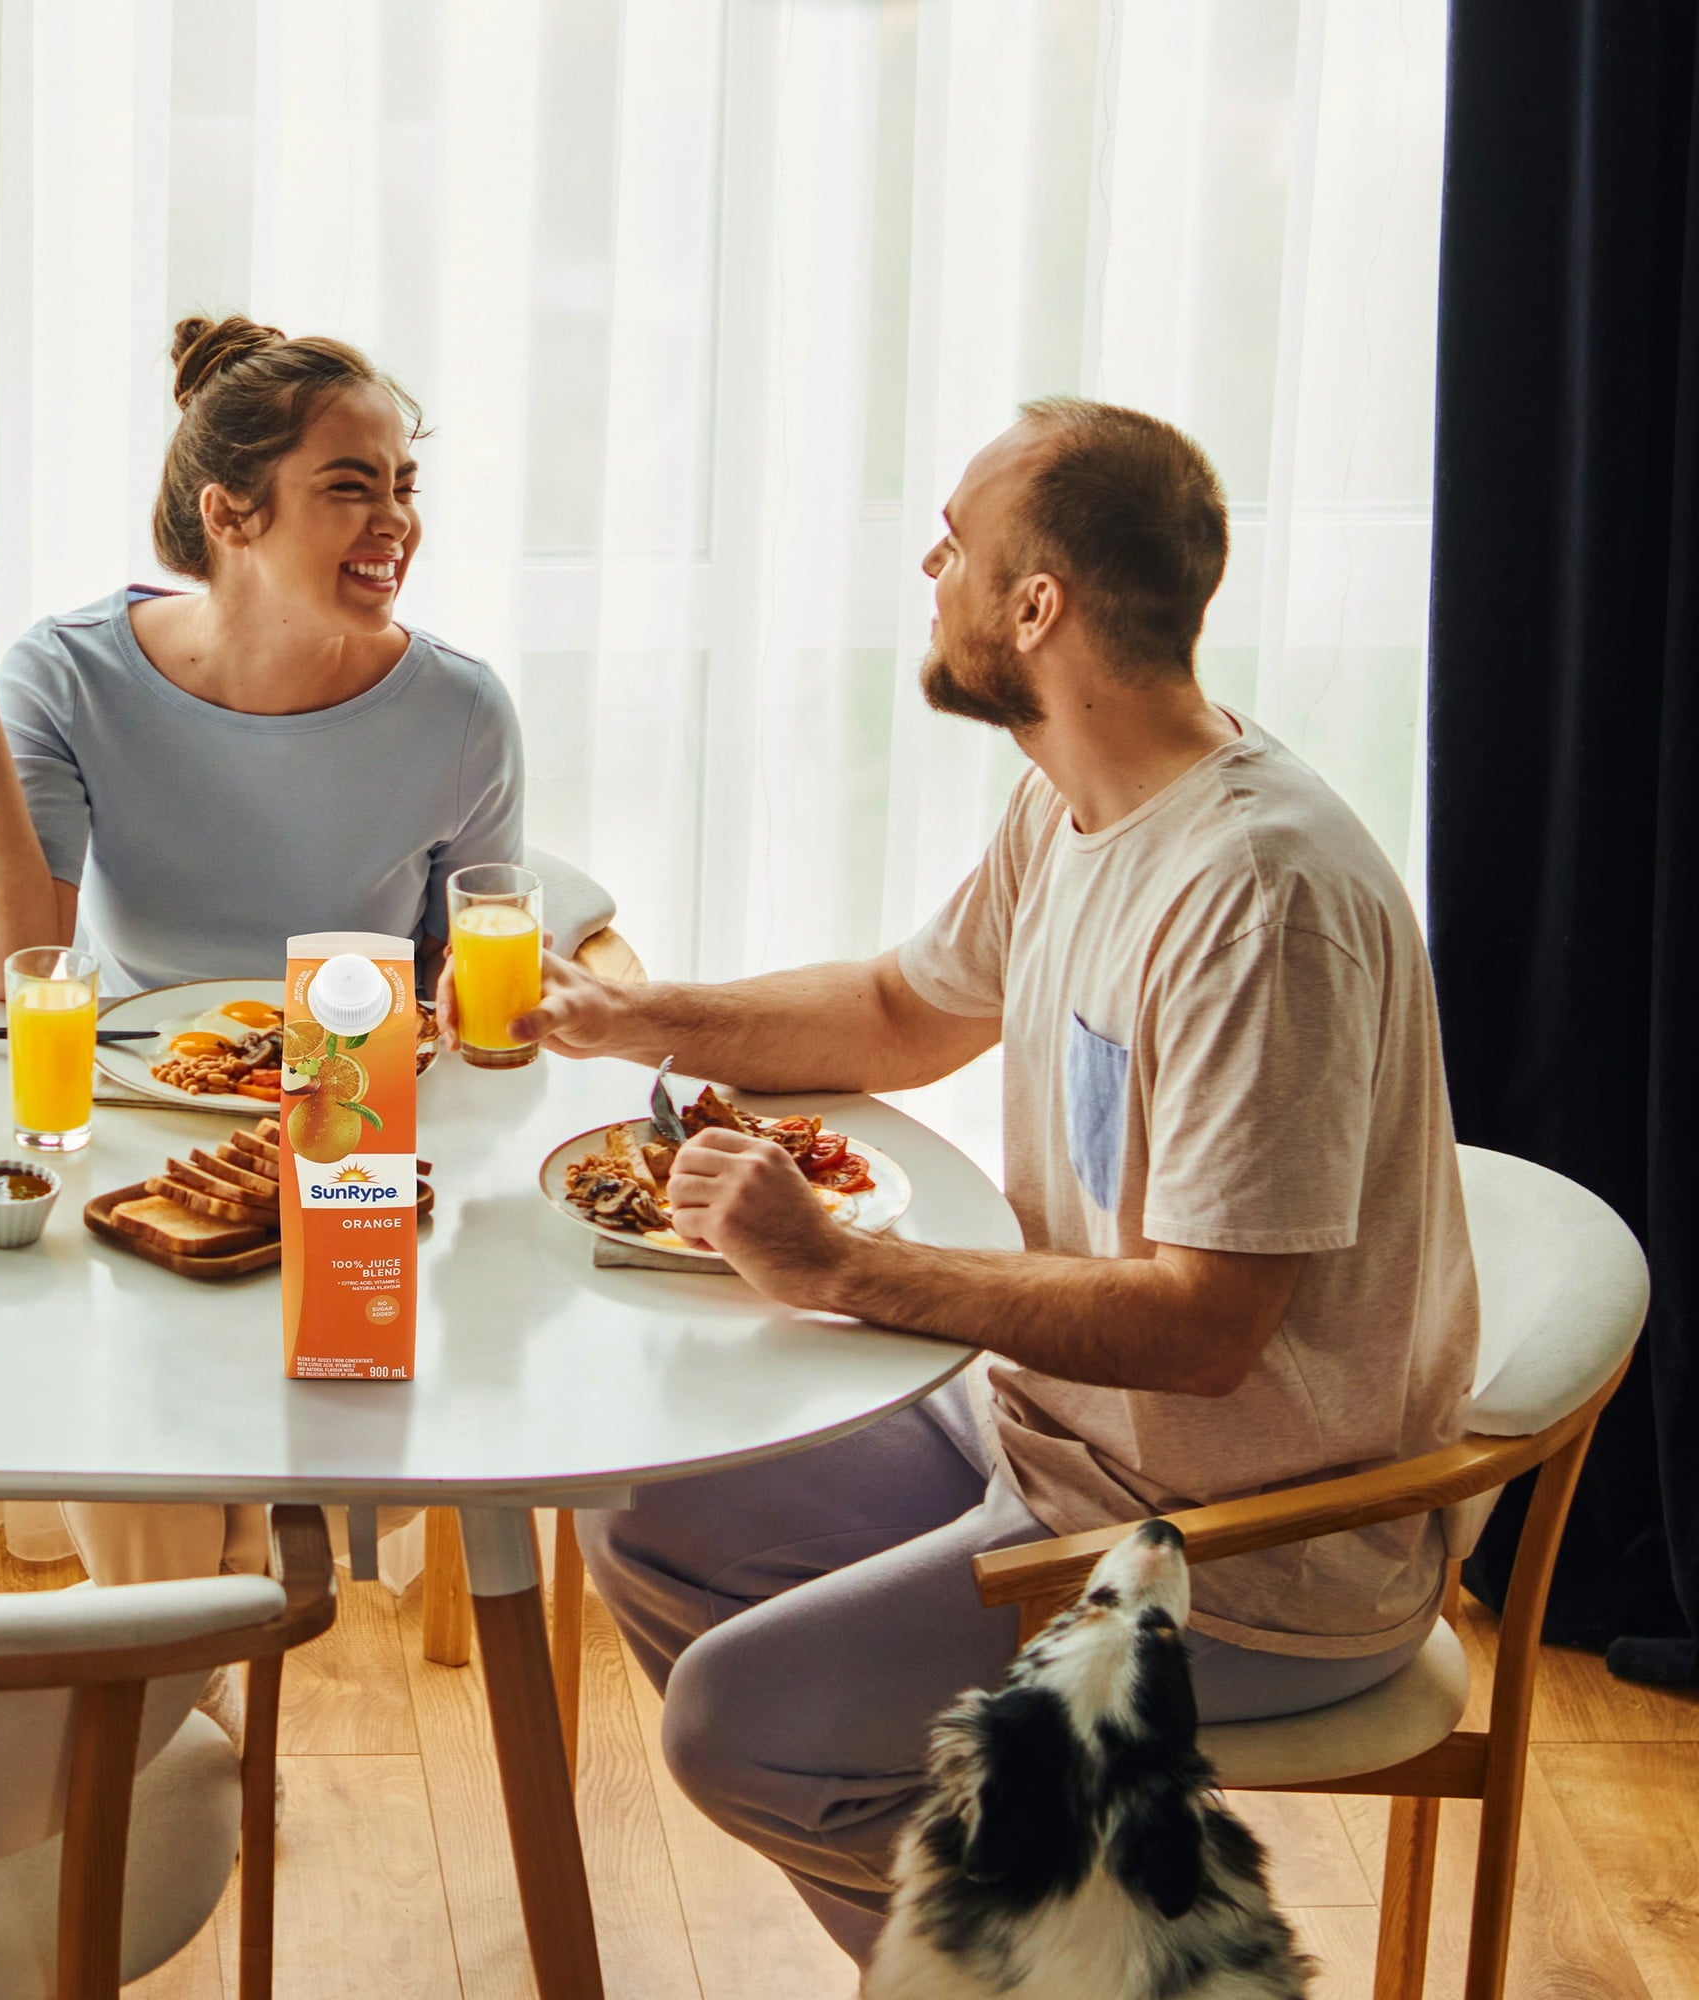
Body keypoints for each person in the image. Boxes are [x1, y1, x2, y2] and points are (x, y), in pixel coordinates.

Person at [443, 397, 1478, 1966]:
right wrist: (628, 1017)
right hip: (1050, 1433)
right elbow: (898, 1011)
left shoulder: (1257, 898)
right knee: (648, 1518)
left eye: (954, 543)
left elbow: (1206, 1330)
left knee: (741, 1722)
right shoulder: (1074, 805)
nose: (928, 564)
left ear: (1036, 606)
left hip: (1244, 1547)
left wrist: (841, 1269)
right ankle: (980, 1968)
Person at [0, 315, 523, 1593]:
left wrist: (474, 1018)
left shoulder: (460, 708)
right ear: (228, 514)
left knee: (301, 1477)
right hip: (114, 1112)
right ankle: (191, 1685)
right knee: (143, 1467)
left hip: (355, 1117)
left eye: (403, 485)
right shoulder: (71, 674)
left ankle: (176, 1685)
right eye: (350, 487)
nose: (393, 519)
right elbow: (11, 950)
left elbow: (474, 979)